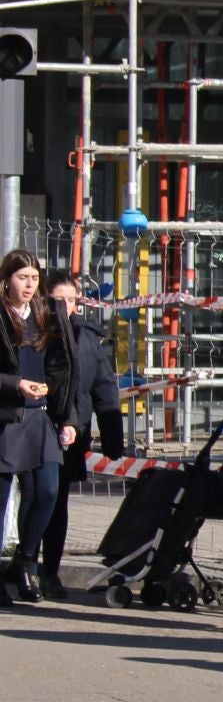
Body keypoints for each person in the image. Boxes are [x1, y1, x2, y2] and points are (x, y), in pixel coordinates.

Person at [0, 250, 80, 606]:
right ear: (7, 280)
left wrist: (69, 418)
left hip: (42, 416)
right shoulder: (2, 316)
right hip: (7, 418)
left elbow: (65, 369)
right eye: (22, 277)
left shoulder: (47, 316)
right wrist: (15, 385)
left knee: (48, 491)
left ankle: (25, 562)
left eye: (34, 277)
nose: (29, 285)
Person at [39, 269, 122, 600]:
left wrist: (113, 437)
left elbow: (103, 384)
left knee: (56, 501)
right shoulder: (38, 335)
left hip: (75, 432)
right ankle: (26, 562)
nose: (66, 307)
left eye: (72, 300)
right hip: (38, 427)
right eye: (59, 300)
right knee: (39, 498)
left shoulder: (86, 336)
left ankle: (49, 572)